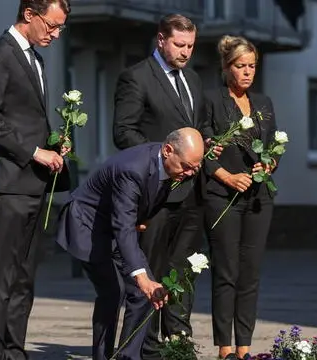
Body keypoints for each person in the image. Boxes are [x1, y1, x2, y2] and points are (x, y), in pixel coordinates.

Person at [112, 13, 218, 360]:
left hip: (191, 194)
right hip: (157, 191)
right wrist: (161, 161)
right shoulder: (136, 78)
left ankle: (177, 342)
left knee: (184, 270)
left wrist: (208, 144)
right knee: (151, 270)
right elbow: (124, 132)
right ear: (161, 40)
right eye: (179, 44)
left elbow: (198, 127)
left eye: (191, 45)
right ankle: (144, 346)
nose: (186, 52)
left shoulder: (194, 80)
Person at [0, 0, 71, 358]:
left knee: (24, 281)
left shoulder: (35, 58)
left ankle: (14, 351)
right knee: (1, 279)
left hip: (34, 185)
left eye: (61, 28)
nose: (56, 34)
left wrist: (54, 143)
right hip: (8, 185)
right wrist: (34, 151)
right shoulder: (0, 54)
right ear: (29, 14)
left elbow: (25, 118)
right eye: (52, 25)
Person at [56, 128, 205, 360]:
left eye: (196, 167)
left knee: (147, 293)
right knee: (113, 292)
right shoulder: (132, 169)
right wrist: (141, 275)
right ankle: (102, 356)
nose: (189, 173)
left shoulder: (171, 165)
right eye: (186, 167)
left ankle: (128, 356)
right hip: (87, 226)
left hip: (117, 226)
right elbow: (123, 227)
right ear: (167, 151)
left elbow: (132, 216)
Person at [203, 35, 278, 360]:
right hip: (222, 195)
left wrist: (270, 163)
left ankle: (245, 348)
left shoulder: (264, 104)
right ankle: (225, 349)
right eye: (240, 66)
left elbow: (275, 145)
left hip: (259, 198)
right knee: (226, 271)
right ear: (225, 66)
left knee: (250, 273)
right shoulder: (211, 100)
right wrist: (226, 176)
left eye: (252, 66)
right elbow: (203, 149)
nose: (247, 72)